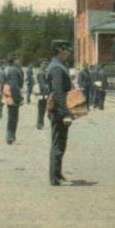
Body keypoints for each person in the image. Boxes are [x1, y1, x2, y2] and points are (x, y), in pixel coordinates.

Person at [46, 40, 74, 186]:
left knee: (61, 143)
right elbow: (58, 93)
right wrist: (66, 114)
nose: (69, 52)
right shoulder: (57, 68)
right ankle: (54, 178)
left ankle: (57, 173)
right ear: (59, 50)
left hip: (59, 110)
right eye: (67, 50)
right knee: (58, 143)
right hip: (58, 111)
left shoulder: (59, 65)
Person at [5, 52, 24, 145]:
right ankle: (11, 137)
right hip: (13, 96)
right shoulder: (14, 70)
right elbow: (14, 86)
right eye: (17, 59)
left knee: (11, 117)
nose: (19, 60)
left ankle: (10, 137)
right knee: (13, 118)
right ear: (13, 61)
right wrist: (19, 98)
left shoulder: (11, 69)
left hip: (10, 95)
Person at [36, 59, 49, 129]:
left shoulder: (43, 72)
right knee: (41, 109)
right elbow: (42, 85)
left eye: (46, 64)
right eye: (44, 64)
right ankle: (39, 124)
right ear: (41, 65)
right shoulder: (41, 73)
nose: (45, 66)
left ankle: (41, 123)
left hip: (43, 93)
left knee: (43, 109)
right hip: (42, 94)